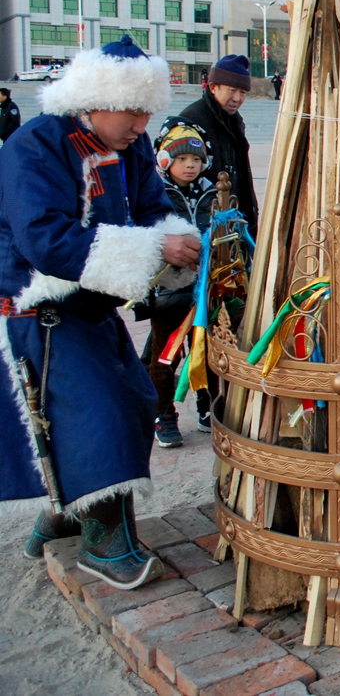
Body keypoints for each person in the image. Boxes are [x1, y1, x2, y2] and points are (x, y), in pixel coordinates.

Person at [0, 35, 202, 589]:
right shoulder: (33, 145)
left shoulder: (130, 144)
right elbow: (44, 240)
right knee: (97, 414)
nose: (142, 125)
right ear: (95, 99)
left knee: (135, 401)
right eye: (132, 111)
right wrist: (155, 247)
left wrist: (177, 239)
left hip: (91, 304)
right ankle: (102, 543)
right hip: (39, 305)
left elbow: (153, 205)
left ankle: (63, 518)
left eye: (146, 111)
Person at [146, 118, 219, 447]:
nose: (190, 165)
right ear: (165, 160)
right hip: (168, 291)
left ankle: (208, 407)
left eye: (196, 159)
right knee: (165, 357)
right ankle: (163, 414)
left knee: (205, 352)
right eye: (181, 158)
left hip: (204, 291)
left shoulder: (212, 193)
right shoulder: (154, 194)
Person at [181, 55, 259, 237]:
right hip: (207, 221)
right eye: (232, 90)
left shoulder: (235, 121)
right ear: (213, 87)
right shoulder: (192, 119)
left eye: (243, 93)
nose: (237, 98)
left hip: (235, 215)